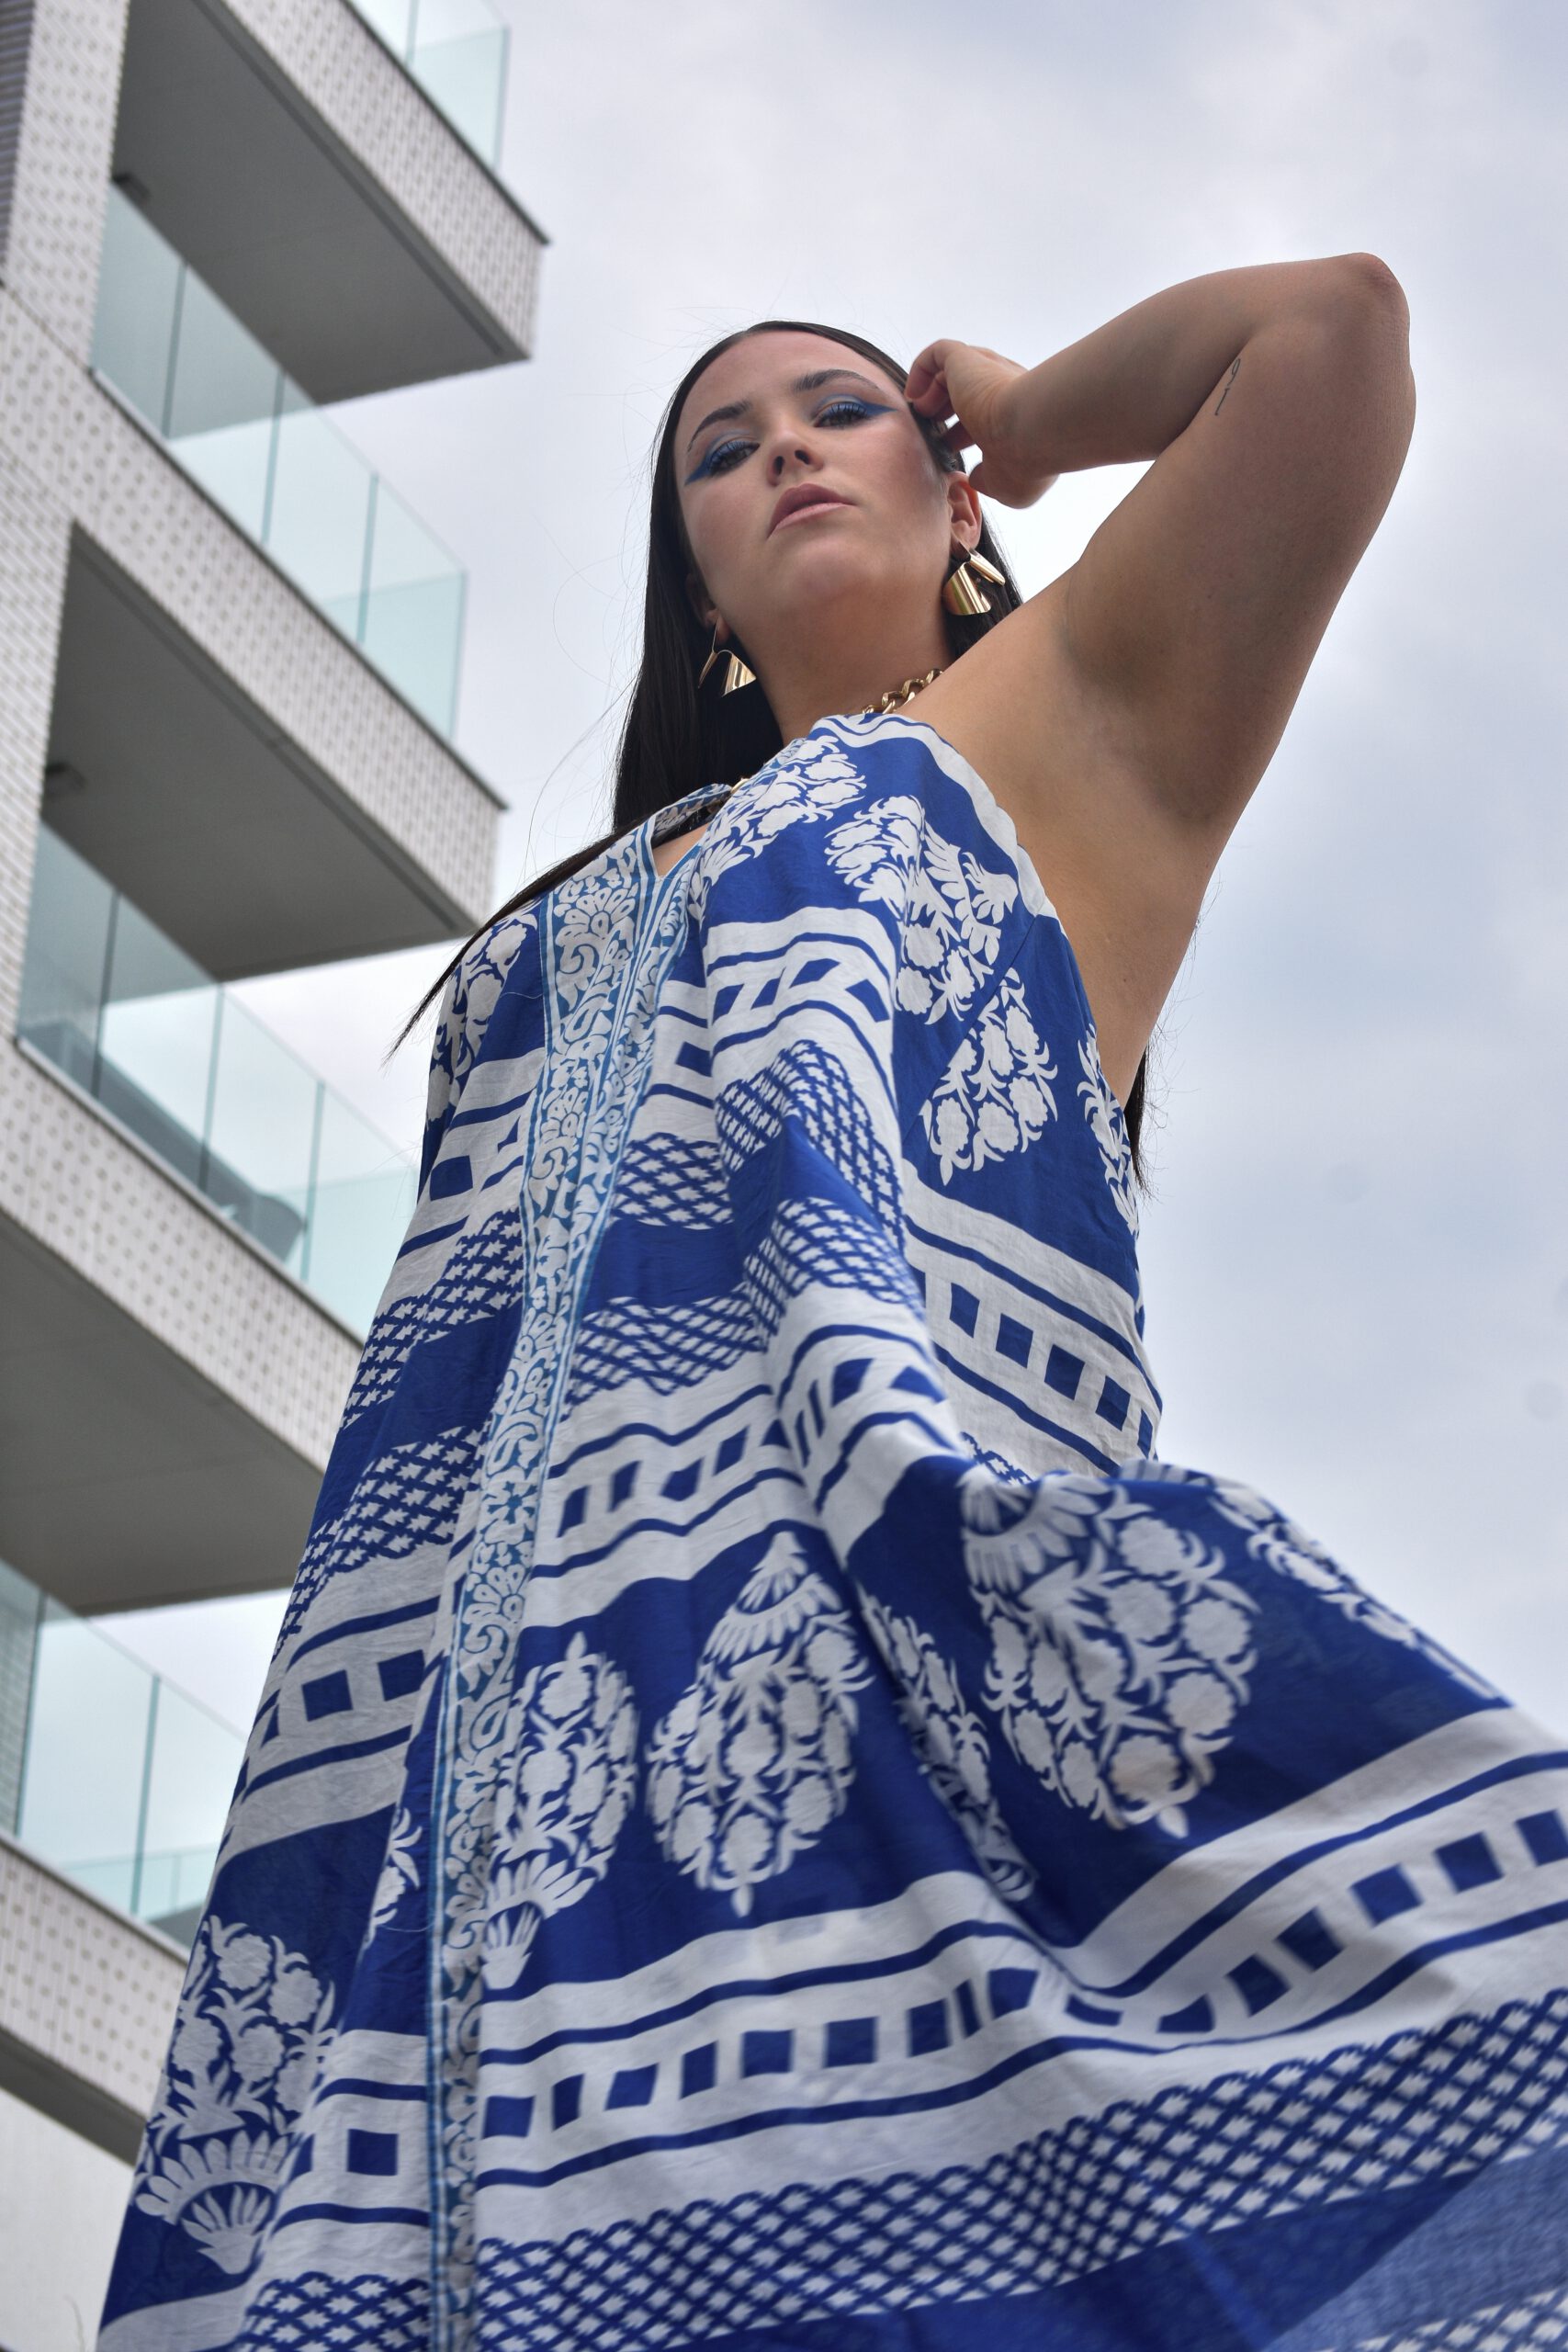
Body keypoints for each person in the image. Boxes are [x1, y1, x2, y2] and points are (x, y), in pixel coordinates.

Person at [101, 267, 1568, 2351]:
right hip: (471, 1774)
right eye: (721, 448)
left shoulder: (1067, 729)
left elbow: (1330, 340)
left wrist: (1029, 416)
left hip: (863, 1679)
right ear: (698, 591)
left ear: (951, 500)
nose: (783, 444)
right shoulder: (584, 910)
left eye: (841, 409)